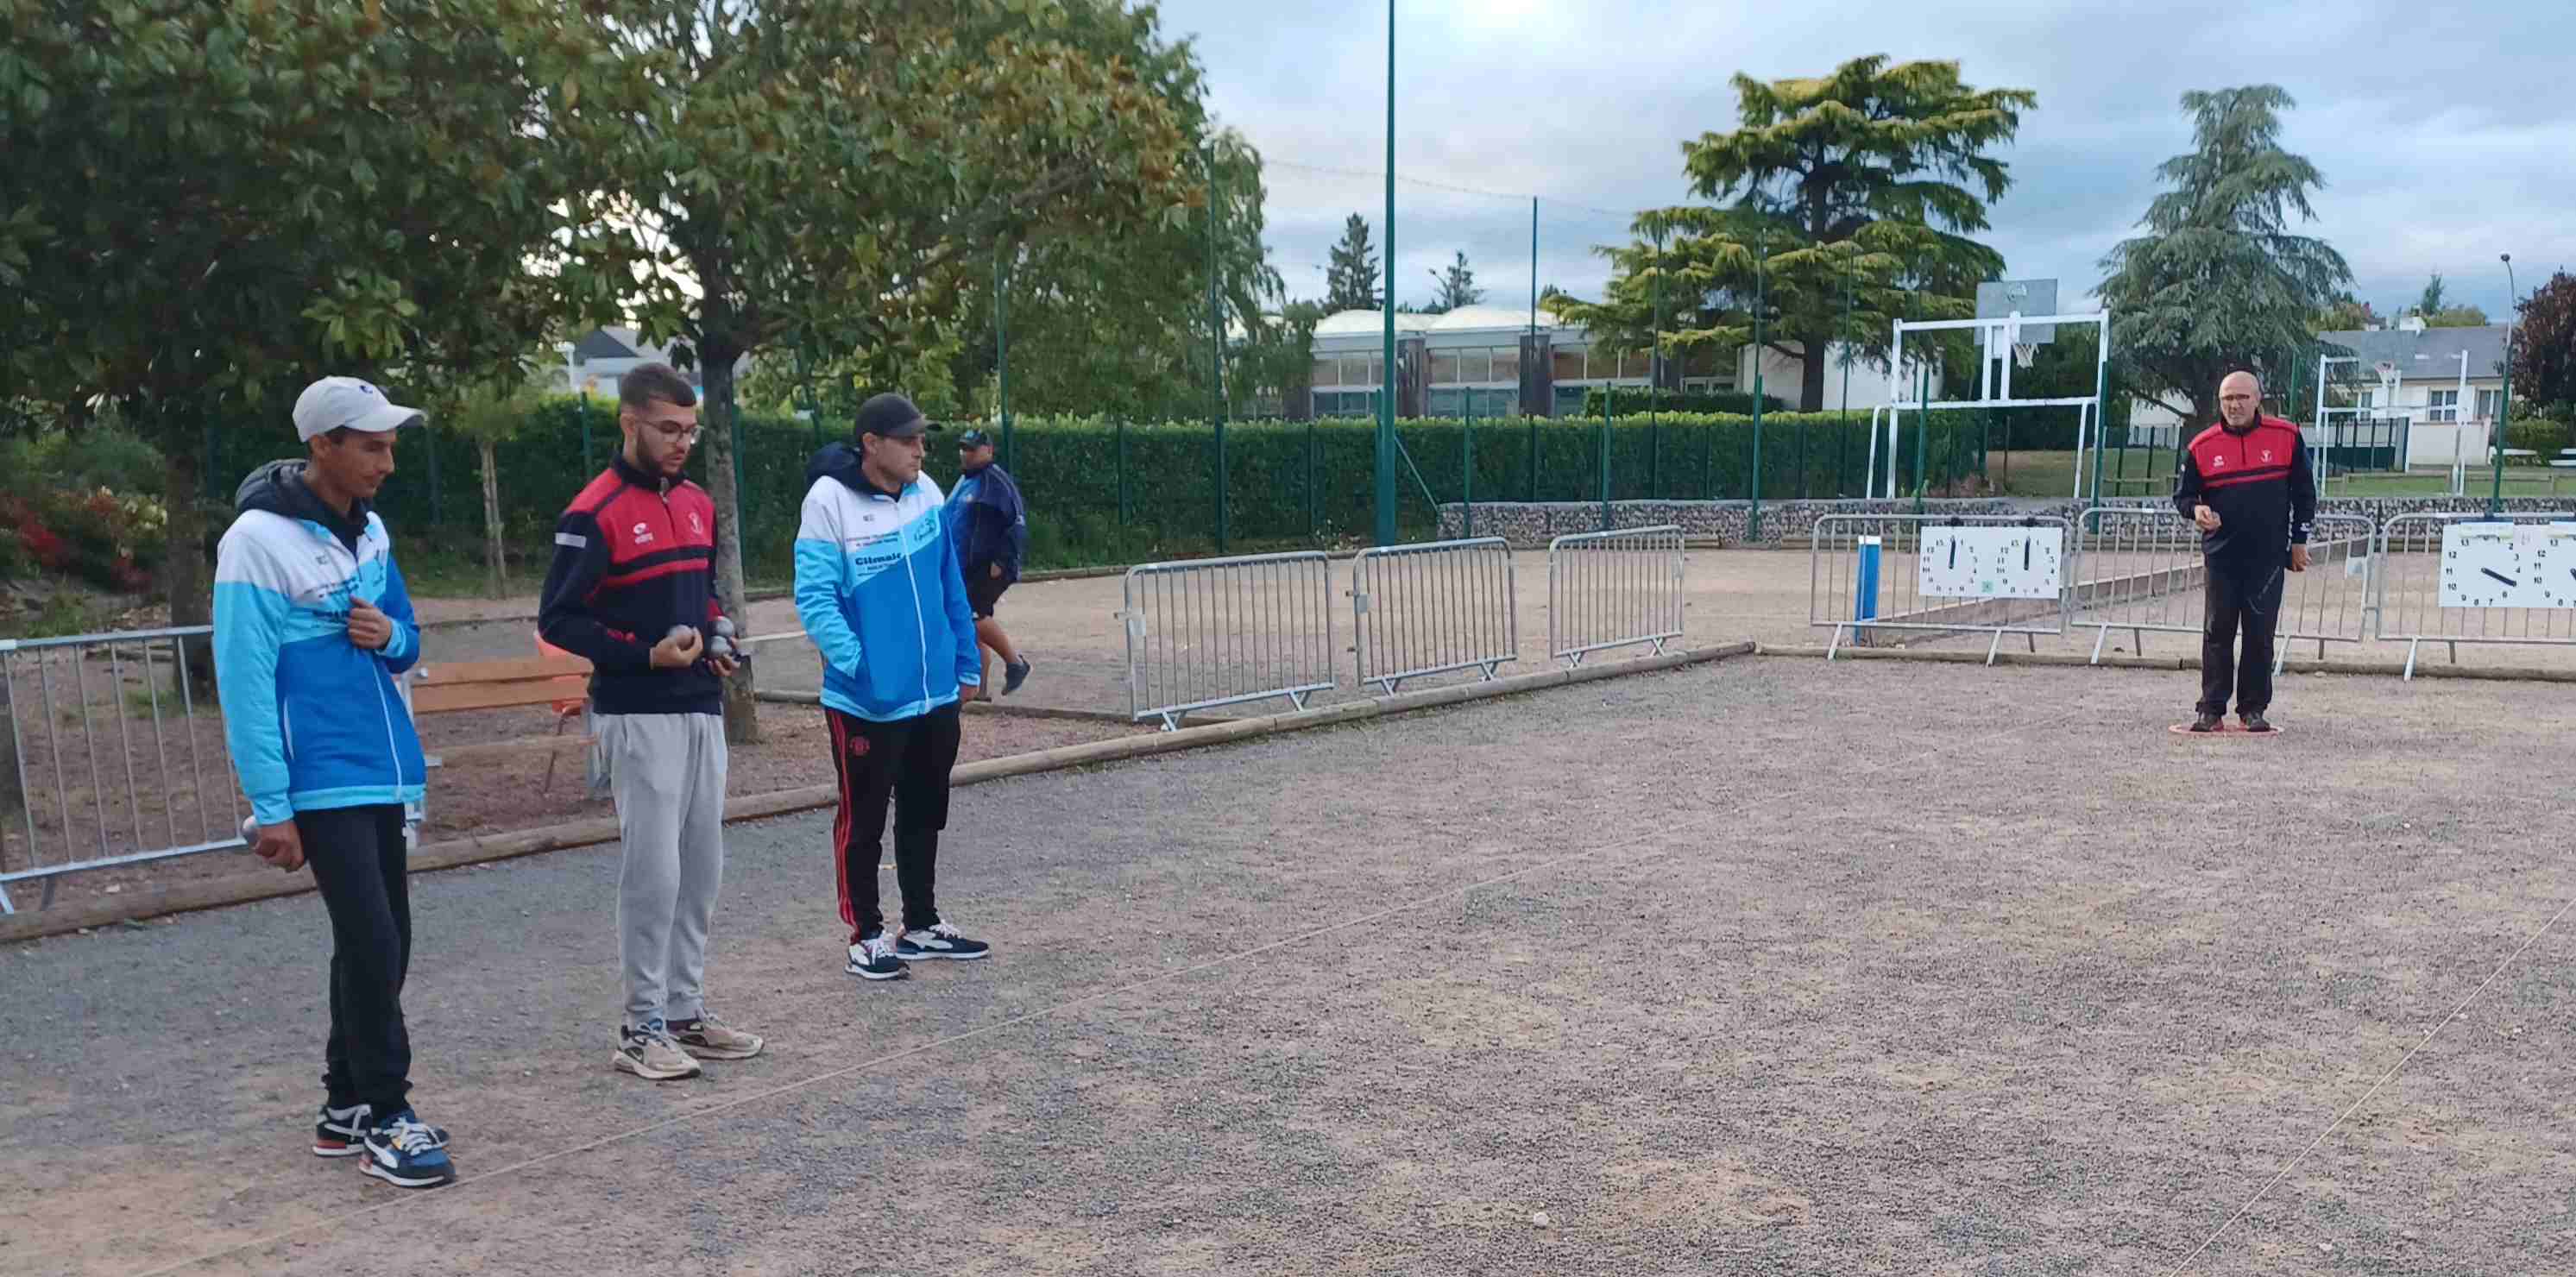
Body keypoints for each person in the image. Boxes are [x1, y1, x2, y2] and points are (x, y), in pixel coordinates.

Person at [214, 375, 452, 1188]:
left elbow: (408, 639)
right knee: (373, 939)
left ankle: (345, 1105)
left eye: (391, 446)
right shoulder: (254, 540)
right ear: (322, 445)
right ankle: (389, 1113)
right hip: (317, 776)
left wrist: (388, 636)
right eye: (372, 447)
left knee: (382, 940)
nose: (387, 463)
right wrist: (270, 805)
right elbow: (244, 679)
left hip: (381, 765)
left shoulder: (373, 530)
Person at [539, 362, 765, 1079]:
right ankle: (640, 1027)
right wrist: (644, 654)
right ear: (629, 423)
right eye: (668, 429)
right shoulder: (593, 511)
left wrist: (719, 634)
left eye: (689, 430)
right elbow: (559, 620)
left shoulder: (697, 502)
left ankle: (684, 1011)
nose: (681, 443)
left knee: (701, 865)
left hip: (699, 705)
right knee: (654, 871)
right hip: (637, 712)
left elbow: (703, 592)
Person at [794, 393, 992, 982]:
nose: (920, 450)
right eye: (908, 440)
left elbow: (949, 582)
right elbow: (815, 599)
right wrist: (863, 667)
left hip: (933, 693)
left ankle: (921, 924)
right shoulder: (827, 501)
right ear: (871, 444)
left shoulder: (926, 491)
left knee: (925, 811)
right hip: (866, 700)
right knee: (863, 822)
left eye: (922, 439)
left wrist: (965, 663)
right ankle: (866, 936)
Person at [2173, 369, 2314, 733]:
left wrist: (2299, 540)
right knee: (2217, 632)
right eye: (2227, 399)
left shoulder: (2287, 436)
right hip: (2222, 556)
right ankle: (2211, 709)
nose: (2234, 405)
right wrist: (2197, 510)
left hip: (2268, 557)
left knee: (2259, 633)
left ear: (2257, 399)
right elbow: (2183, 497)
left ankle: (2253, 709)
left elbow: (2304, 493)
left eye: (2241, 397)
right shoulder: (2201, 446)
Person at [943, 428, 1032, 697]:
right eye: (963, 448)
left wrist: (1002, 560)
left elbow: (1017, 522)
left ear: (989, 451)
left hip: (989, 566)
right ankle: (979, 691)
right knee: (973, 626)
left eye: (972, 449)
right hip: (965, 567)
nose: (966, 454)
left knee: (971, 615)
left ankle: (1015, 663)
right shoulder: (965, 481)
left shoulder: (995, 481)